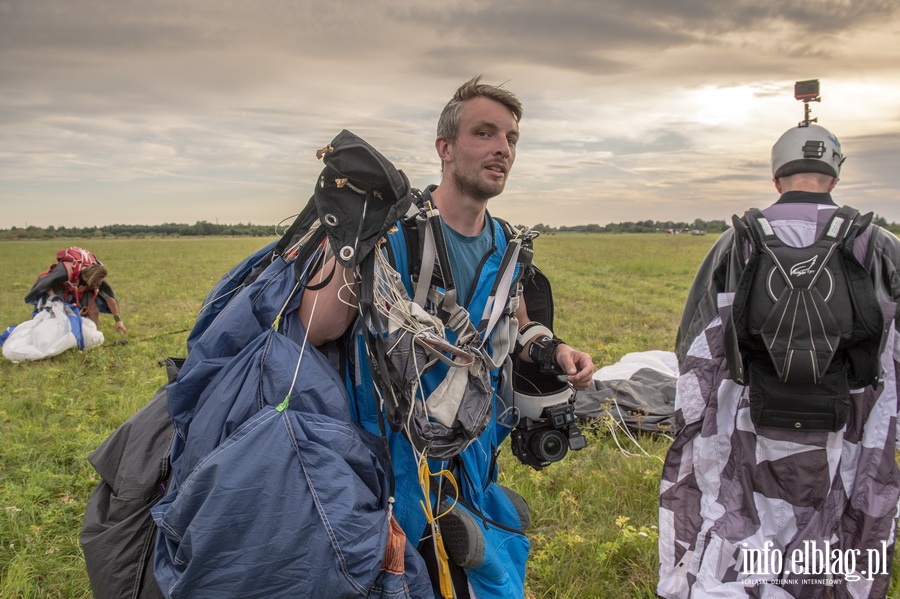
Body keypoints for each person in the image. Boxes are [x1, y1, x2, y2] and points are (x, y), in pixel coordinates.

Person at [299, 76, 595, 598]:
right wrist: (348, 234)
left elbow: (520, 325)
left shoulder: (507, 244)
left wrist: (558, 350)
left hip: (471, 447)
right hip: (387, 450)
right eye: (484, 133)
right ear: (445, 147)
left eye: (511, 139)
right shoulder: (392, 229)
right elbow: (317, 327)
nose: (502, 148)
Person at [657, 121, 900, 598]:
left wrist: (691, 428)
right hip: (850, 436)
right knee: (840, 539)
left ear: (776, 178)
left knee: (743, 533)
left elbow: (697, 349)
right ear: (834, 177)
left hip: (747, 430)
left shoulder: (736, 243)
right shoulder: (881, 246)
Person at [25, 247, 127, 334]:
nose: (99, 285)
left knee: (93, 310)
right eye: (96, 283)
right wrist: (54, 298)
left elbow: (110, 297)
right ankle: (52, 332)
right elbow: (46, 284)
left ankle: (94, 335)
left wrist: (118, 320)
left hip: (80, 289)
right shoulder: (65, 271)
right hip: (60, 288)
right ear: (91, 279)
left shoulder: (99, 277)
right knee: (58, 310)